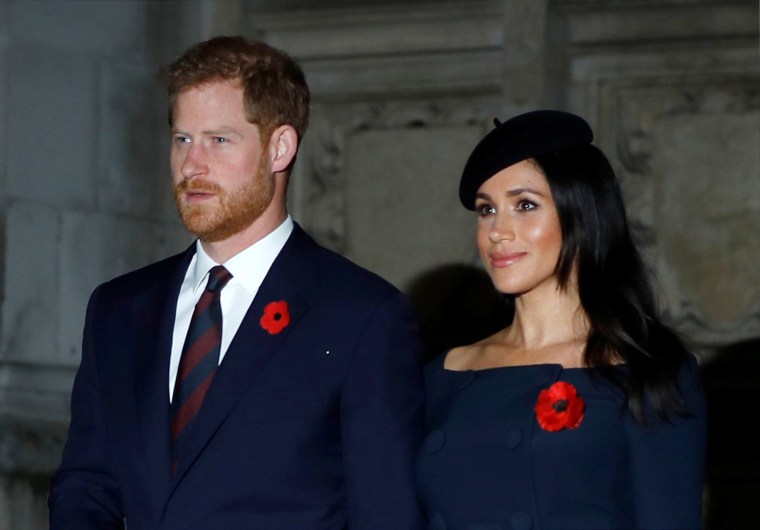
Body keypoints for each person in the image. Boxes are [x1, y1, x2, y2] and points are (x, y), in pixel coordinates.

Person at [48, 35, 425, 530]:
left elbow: (386, 514)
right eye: (182, 139)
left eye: (218, 140)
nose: (192, 165)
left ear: (280, 147)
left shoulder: (360, 315)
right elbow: (86, 485)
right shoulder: (119, 308)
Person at [415, 110, 707, 529]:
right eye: (486, 210)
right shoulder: (443, 373)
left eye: (525, 205)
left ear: (581, 215)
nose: (498, 230)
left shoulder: (648, 373)